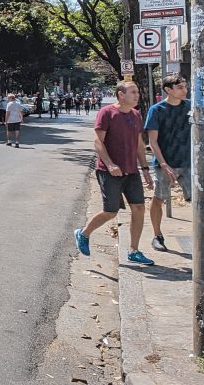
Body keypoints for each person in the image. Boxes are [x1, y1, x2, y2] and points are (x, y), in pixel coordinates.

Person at [74, 81, 156, 265]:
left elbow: (139, 145)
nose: (137, 95)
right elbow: (97, 142)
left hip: (131, 170)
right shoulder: (107, 112)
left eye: (137, 92)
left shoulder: (135, 115)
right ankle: (84, 233)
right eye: (133, 92)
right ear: (121, 94)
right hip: (108, 171)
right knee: (110, 211)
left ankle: (134, 251)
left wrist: (145, 170)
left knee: (139, 208)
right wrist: (110, 164)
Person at [144, 74, 192, 252]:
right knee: (159, 198)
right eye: (180, 87)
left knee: (197, 198)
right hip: (164, 163)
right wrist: (163, 164)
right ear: (168, 90)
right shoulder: (157, 110)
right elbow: (152, 141)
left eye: (185, 86)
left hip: (187, 163)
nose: (184, 90)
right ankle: (157, 235)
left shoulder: (190, 106)